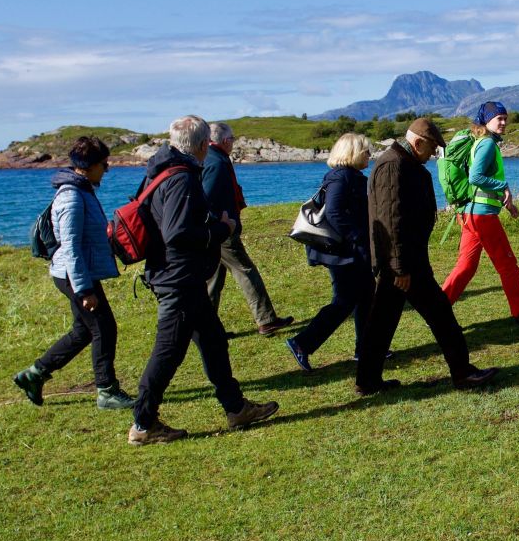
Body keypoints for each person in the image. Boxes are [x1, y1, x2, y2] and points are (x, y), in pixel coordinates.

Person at [128, 115, 279, 445]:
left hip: (180, 275)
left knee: (213, 341)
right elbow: (178, 232)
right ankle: (143, 422)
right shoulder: (181, 177)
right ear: (199, 146)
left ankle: (236, 408)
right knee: (167, 353)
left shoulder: (160, 169)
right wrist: (221, 229)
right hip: (178, 278)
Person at [356, 118, 499, 396]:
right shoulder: (393, 165)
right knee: (440, 316)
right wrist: (399, 268)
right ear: (417, 142)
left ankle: (368, 380)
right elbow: (390, 220)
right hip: (403, 264)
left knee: (382, 323)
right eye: (432, 147)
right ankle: (463, 372)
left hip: (404, 261)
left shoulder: (403, 163)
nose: (434, 154)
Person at [12, 136, 135, 409]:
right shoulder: (72, 197)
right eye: (104, 164)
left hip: (77, 272)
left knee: (83, 331)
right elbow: (71, 248)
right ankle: (107, 391)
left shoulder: (83, 191)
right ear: (89, 166)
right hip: (74, 275)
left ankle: (34, 374)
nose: (107, 169)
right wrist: (84, 289)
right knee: (104, 328)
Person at [439, 102, 519, 327]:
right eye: (498, 118)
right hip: (482, 217)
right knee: (508, 265)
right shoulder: (488, 144)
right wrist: (504, 186)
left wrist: (507, 204)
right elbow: (476, 178)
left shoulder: (481, 141)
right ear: (486, 121)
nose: (503, 122)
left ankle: (437, 311)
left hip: (470, 214)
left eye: (505, 118)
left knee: (466, 266)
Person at [286, 132, 375, 371]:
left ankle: (365, 348)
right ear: (353, 153)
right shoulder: (341, 178)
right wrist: (357, 237)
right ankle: (302, 343)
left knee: (366, 296)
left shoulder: (350, 176)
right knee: (344, 302)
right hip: (343, 252)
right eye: (366, 151)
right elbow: (334, 212)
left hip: (350, 250)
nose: (370, 155)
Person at [202, 122, 295, 336]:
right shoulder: (216, 162)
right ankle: (266, 319)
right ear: (225, 141)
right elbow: (209, 196)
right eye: (232, 139)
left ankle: (207, 328)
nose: (233, 143)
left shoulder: (212, 158)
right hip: (222, 229)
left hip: (215, 229)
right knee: (245, 270)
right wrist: (223, 222)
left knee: (213, 279)